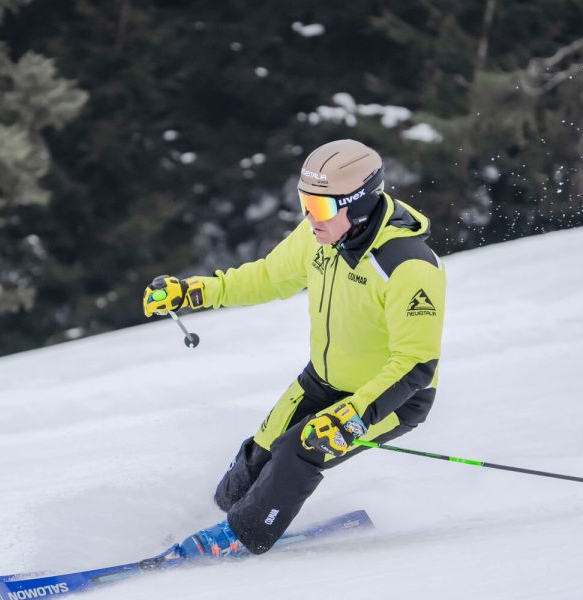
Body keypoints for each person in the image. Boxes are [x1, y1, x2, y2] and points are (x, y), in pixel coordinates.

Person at [142, 139, 446, 559]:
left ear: (358, 205)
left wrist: (350, 418)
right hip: (321, 381)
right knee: (260, 448)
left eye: (320, 208)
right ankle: (213, 519)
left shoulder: (408, 265)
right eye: (305, 202)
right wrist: (196, 292)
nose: (309, 217)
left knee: (301, 448)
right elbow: (268, 277)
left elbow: (416, 365)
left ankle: (240, 537)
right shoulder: (318, 236)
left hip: (389, 399)